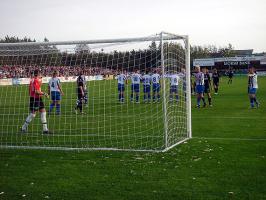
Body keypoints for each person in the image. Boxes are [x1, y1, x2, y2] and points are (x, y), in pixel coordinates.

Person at [21, 69, 51, 134]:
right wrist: (45, 94)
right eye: (40, 73)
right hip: (35, 98)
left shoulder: (32, 80)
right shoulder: (35, 80)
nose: (41, 74)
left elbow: (30, 90)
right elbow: (36, 91)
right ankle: (23, 128)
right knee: (33, 114)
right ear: (38, 74)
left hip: (37, 98)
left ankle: (45, 129)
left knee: (43, 112)